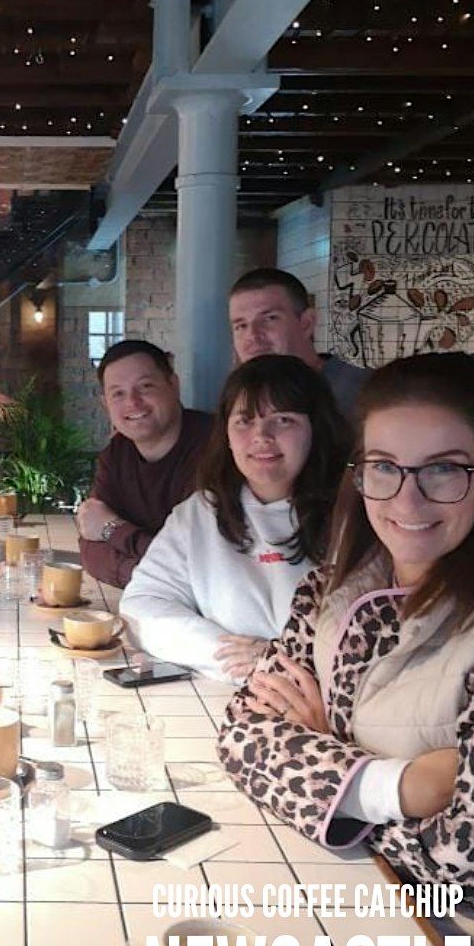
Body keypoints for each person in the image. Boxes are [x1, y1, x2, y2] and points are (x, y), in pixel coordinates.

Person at [217, 352, 474, 913]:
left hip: (473, 943)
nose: (407, 499)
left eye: (444, 468)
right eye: (384, 466)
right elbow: (241, 736)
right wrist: (401, 788)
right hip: (345, 884)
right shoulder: (330, 588)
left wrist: (323, 763)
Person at [120, 357, 348, 680]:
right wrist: (232, 654)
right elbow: (141, 607)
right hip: (232, 692)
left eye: (283, 420)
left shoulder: (356, 514)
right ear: (226, 432)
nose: (261, 436)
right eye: (244, 421)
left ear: (316, 429)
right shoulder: (201, 513)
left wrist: (278, 657)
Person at [76, 340, 212, 588]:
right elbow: (91, 551)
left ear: (173, 385)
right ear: (106, 404)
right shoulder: (116, 454)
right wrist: (156, 577)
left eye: (145, 386)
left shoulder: (216, 448)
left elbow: (196, 565)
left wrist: (111, 529)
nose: (133, 402)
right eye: (118, 393)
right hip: (157, 599)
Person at [228, 267, 369, 418]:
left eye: (270, 318)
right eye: (241, 326)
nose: (252, 335)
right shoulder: (240, 399)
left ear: (306, 323)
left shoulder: (364, 393)